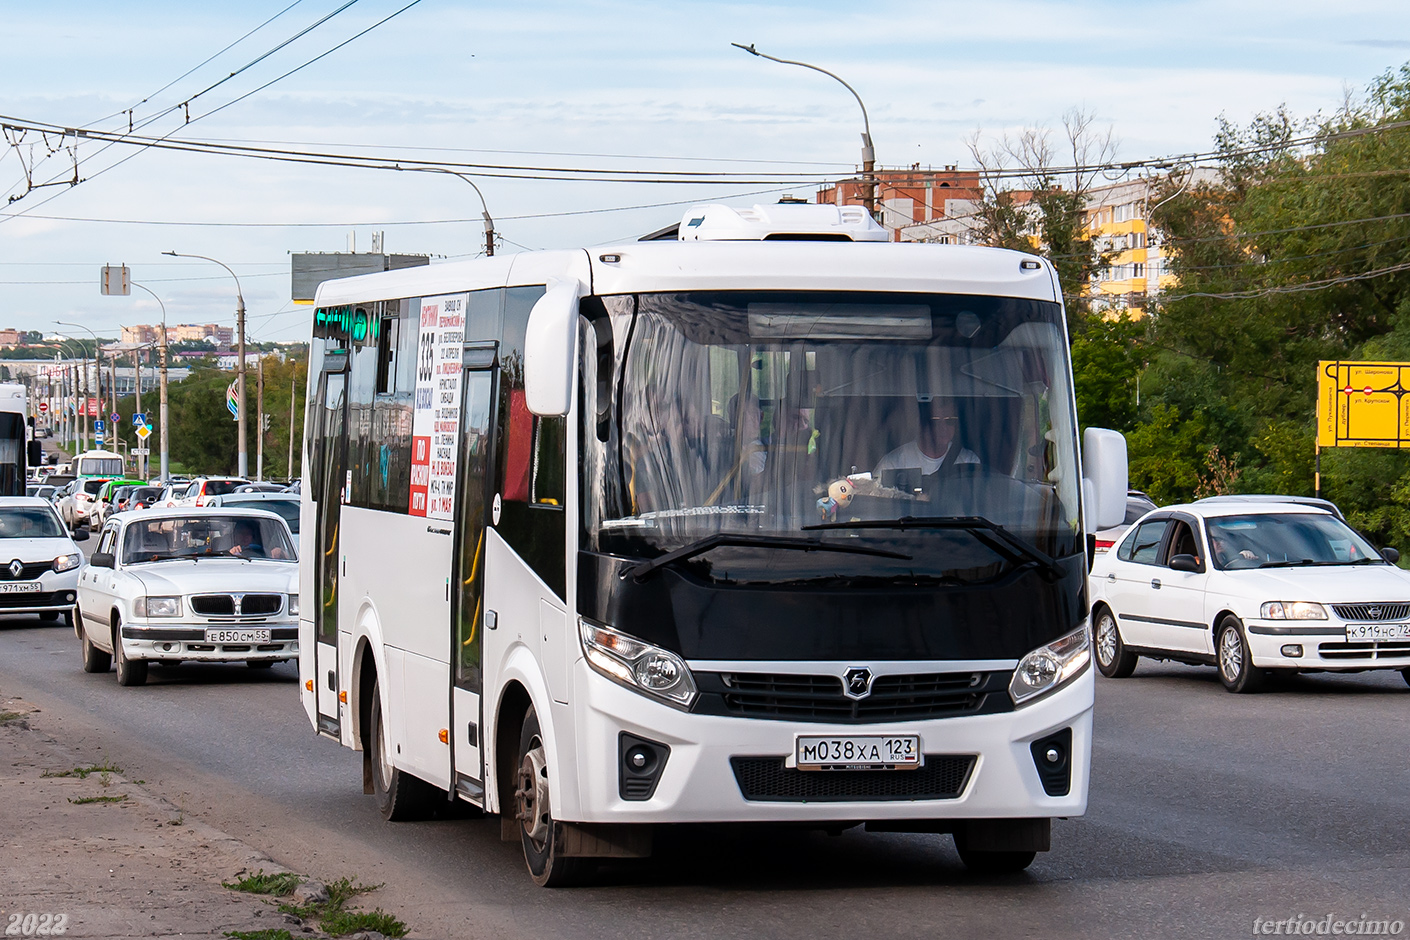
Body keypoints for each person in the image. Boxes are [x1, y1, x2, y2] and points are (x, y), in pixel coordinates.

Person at [875, 396, 980, 484]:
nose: (943, 428)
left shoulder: (969, 462)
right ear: (921, 424)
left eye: (950, 421)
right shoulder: (892, 464)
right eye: (935, 421)